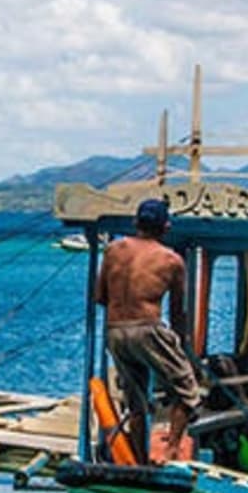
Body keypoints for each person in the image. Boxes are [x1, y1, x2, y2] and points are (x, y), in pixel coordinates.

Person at [93, 197, 204, 462]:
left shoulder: (113, 250)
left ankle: (139, 460)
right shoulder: (172, 260)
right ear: (166, 228)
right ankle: (171, 450)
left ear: (135, 222)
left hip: (115, 331)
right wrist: (184, 351)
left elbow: (99, 297)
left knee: (137, 403)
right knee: (188, 391)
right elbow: (178, 314)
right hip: (148, 328)